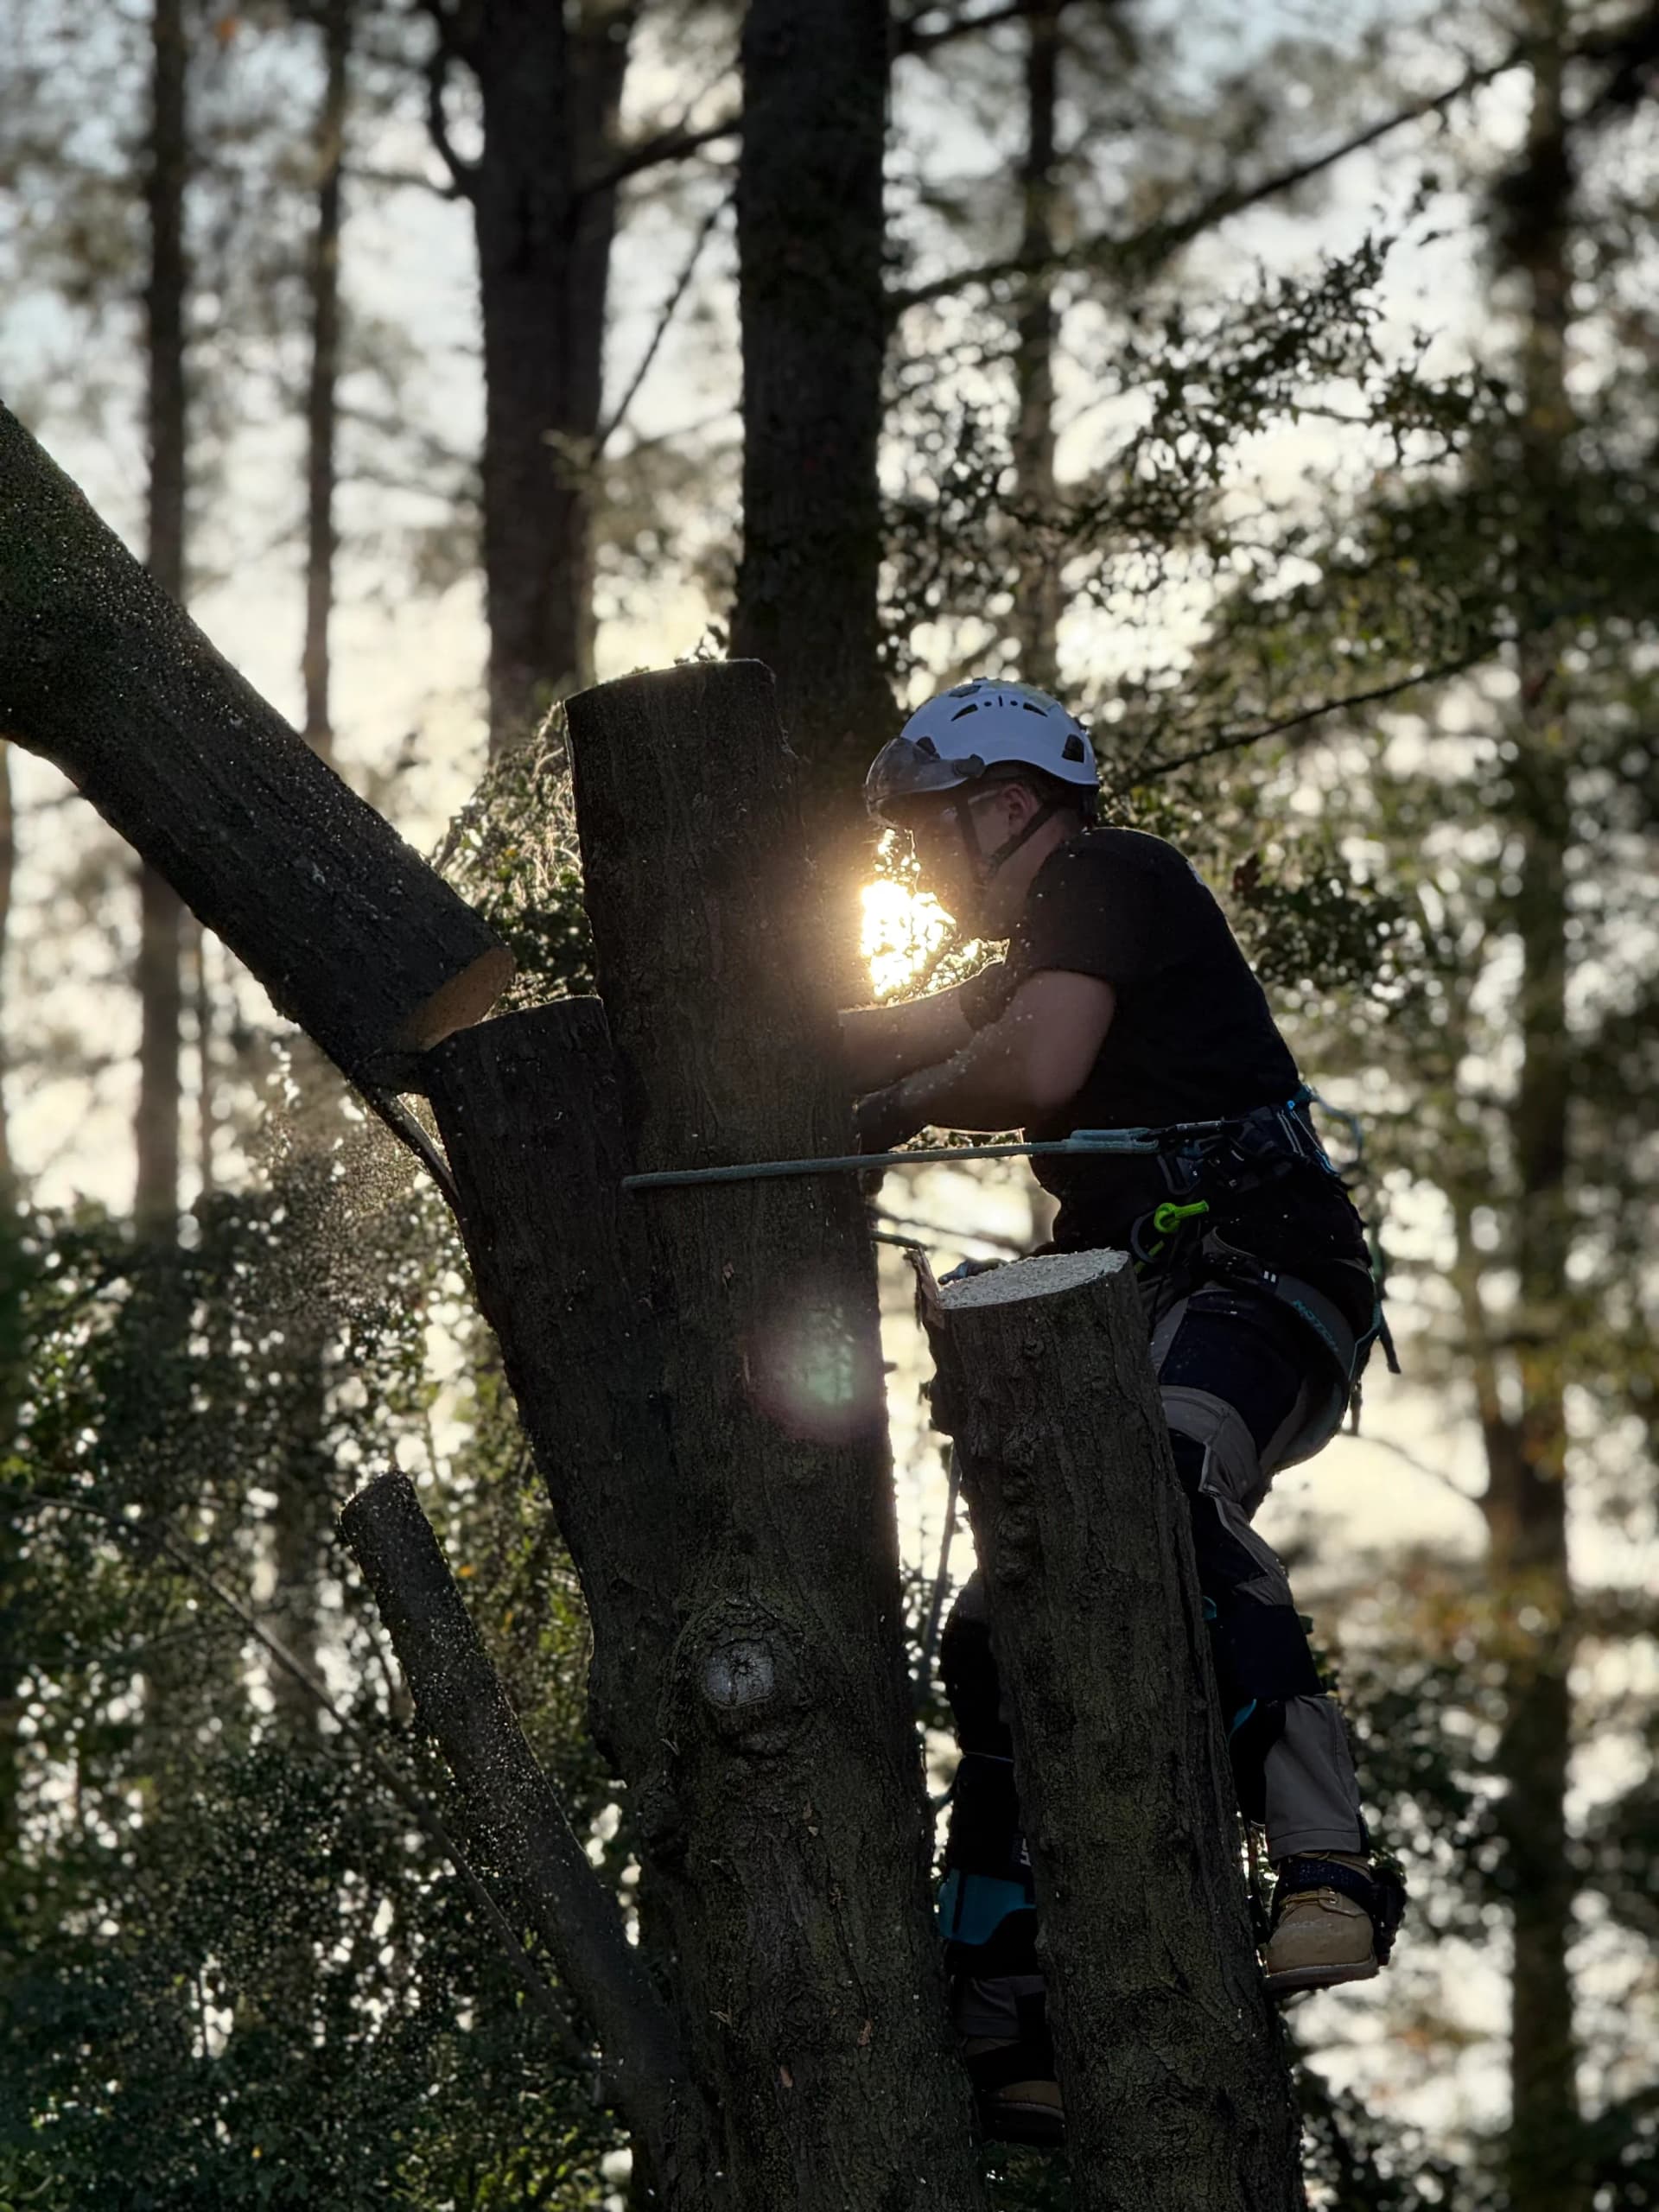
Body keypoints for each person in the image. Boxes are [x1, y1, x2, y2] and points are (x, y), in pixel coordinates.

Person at [840, 677, 1405, 2147]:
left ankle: (1326, 1866)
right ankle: (1007, 2004)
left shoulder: (1107, 873)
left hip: (1262, 1271)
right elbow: (899, 1032)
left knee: (1165, 1477)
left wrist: (894, 1100)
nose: (919, 861)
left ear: (1009, 807)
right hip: (1156, 1294)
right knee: (995, 1623)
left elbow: (1029, 1064)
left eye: (931, 828)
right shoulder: (1040, 940)